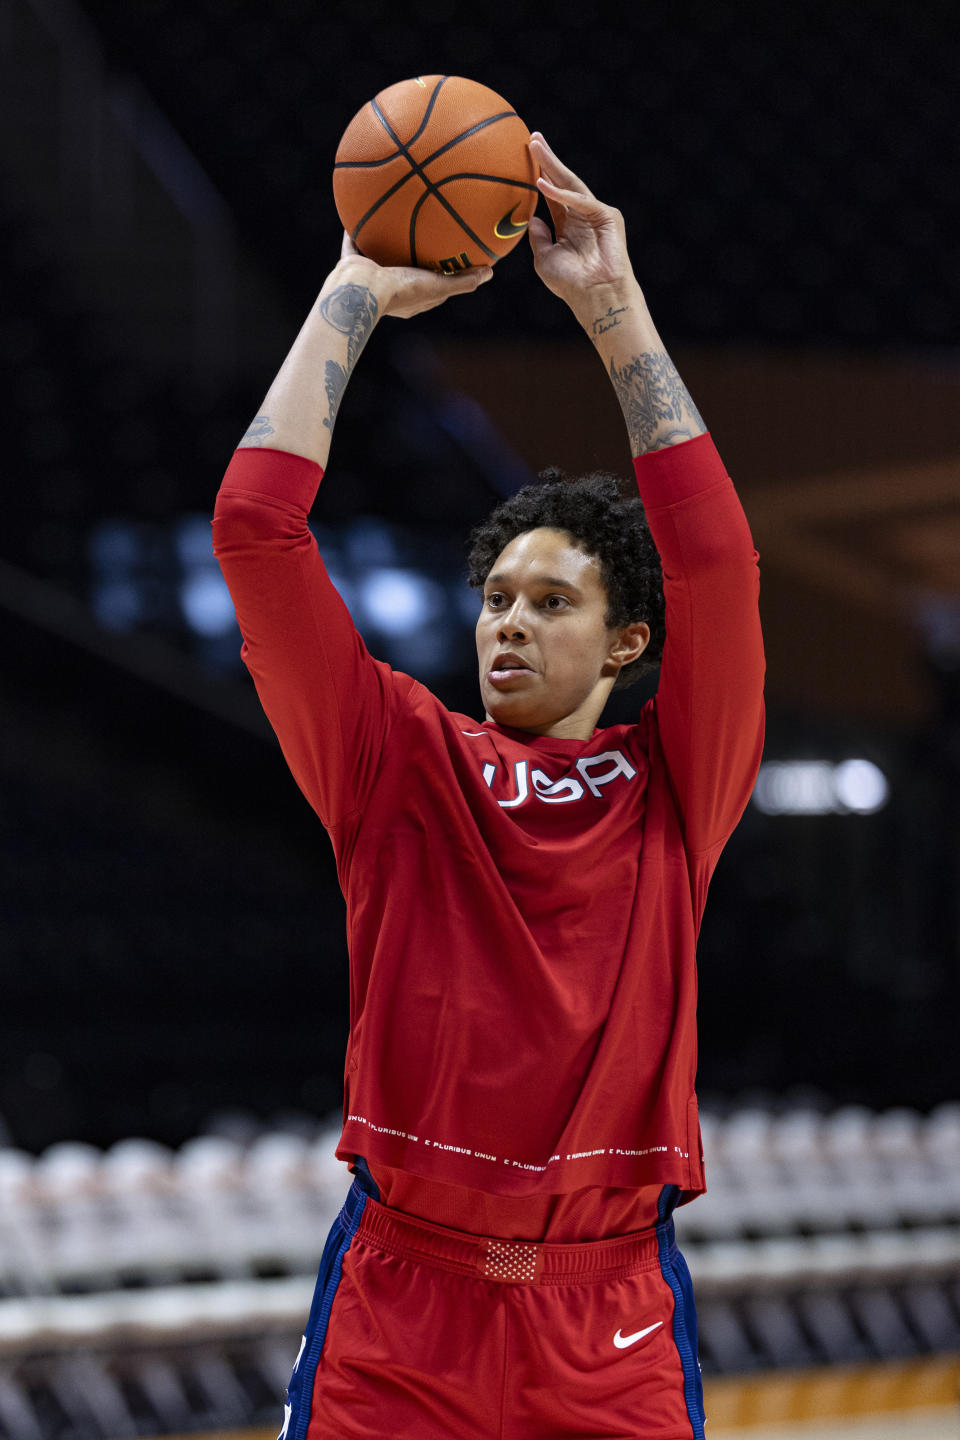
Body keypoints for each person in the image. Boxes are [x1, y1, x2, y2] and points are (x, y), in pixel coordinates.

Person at [213, 134, 764, 1440]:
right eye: (495, 598)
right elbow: (255, 529)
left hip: (606, 1312)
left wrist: (611, 306)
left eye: (551, 600)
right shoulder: (395, 757)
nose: (506, 623)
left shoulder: (679, 783)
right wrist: (351, 288)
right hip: (402, 1307)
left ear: (630, 640)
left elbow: (721, 571)